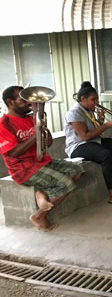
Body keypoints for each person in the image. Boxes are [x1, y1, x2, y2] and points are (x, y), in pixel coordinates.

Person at [0, 86, 84, 231]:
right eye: (23, 99)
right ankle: (39, 216)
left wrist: (46, 137)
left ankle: (43, 192)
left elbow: (48, 143)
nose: (29, 102)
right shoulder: (4, 124)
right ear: (10, 102)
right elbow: (13, 152)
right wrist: (35, 136)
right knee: (66, 183)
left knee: (77, 170)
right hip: (23, 168)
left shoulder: (31, 118)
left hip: (41, 161)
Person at [64, 81, 112, 205]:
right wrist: (106, 125)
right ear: (83, 99)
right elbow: (84, 136)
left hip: (94, 141)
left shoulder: (88, 110)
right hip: (77, 146)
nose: (96, 103)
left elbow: (93, 130)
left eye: (96, 99)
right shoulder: (74, 113)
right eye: (93, 99)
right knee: (106, 155)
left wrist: (100, 120)